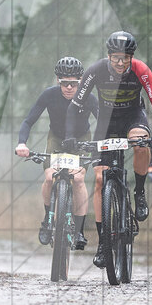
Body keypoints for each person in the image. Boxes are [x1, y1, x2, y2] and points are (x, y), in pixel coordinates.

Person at [63, 31, 152, 269]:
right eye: (115, 58)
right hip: (107, 123)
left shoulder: (141, 70)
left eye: (125, 58)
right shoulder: (95, 71)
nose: (120, 63)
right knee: (100, 179)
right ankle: (103, 243)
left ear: (131, 57)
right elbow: (75, 106)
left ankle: (139, 192)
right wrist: (70, 136)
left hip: (133, 117)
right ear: (108, 56)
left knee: (141, 143)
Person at [15, 57, 99, 250]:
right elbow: (29, 121)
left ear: (81, 81)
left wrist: (101, 146)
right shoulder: (49, 95)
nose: (69, 88)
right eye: (64, 83)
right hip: (56, 139)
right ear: (57, 81)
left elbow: (102, 121)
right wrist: (22, 143)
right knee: (49, 177)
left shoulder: (89, 97)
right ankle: (47, 219)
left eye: (74, 83)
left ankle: (78, 231)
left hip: (81, 140)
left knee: (78, 180)